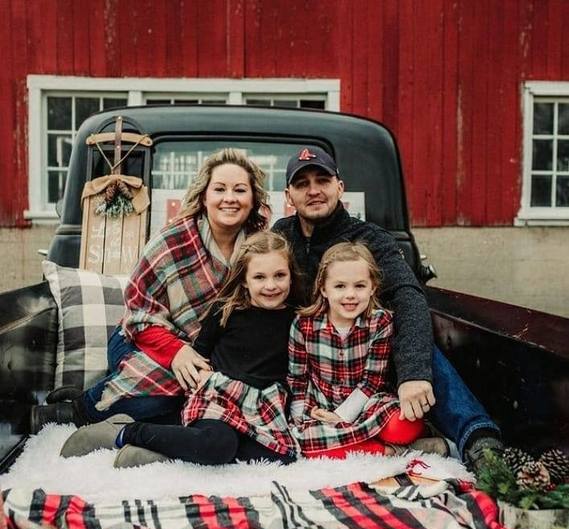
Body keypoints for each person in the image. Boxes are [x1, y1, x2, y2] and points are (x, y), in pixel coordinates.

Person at [272, 145, 503, 472]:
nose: (313, 190)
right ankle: (392, 447)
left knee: (417, 346)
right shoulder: (281, 236)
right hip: (310, 360)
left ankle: (479, 440)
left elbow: (408, 295)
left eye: (322, 180)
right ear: (288, 195)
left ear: (340, 186)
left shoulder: (370, 238)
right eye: (302, 184)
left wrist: (413, 373)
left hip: (369, 359)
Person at [30, 148, 271, 433]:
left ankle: (98, 398)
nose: (229, 198)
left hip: (208, 352)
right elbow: (138, 311)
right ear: (204, 197)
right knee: (170, 389)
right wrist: (176, 351)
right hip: (140, 337)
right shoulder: (174, 240)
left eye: (240, 190)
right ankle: (74, 411)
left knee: (206, 395)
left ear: (253, 198)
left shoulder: (259, 249)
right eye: (219, 189)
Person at [59, 231, 299, 467]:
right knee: (219, 445)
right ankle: (126, 432)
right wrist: (204, 376)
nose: (271, 285)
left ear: (291, 276)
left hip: (262, 406)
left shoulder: (296, 319)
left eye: (279, 275)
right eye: (259, 277)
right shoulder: (226, 311)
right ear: (244, 280)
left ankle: (164, 451)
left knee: (282, 455)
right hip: (220, 398)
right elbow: (200, 353)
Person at [289, 242, 428, 459]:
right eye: (340, 286)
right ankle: (390, 451)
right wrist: (300, 417)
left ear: (373, 287)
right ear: (323, 289)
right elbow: (298, 379)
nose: (350, 295)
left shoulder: (380, 322)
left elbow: (372, 381)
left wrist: (342, 417)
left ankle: (353, 442)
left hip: (366, 401)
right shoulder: (304, 325)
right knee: (304, 442)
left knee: (404, 426)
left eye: (360, 286)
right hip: (322, 405)